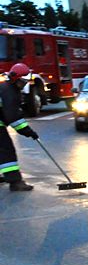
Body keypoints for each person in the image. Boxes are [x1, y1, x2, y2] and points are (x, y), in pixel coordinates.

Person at [0, 63, 39, 191]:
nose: (25, 83)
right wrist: (28, 131)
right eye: (23, 81)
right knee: (6, 151)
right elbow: (13, 117)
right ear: (16, 78)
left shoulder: (6, 87)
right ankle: (15, 182)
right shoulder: (9, 91)